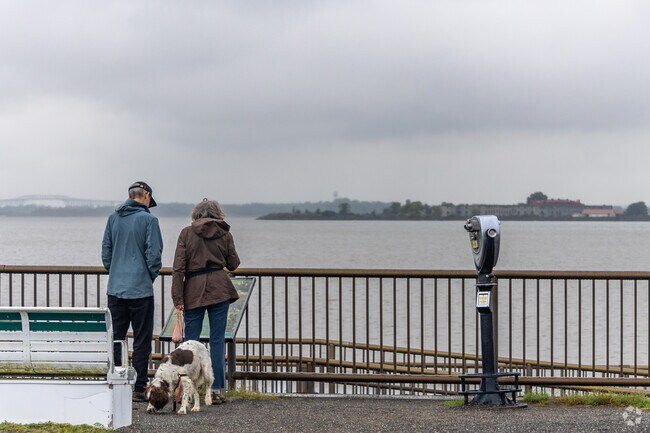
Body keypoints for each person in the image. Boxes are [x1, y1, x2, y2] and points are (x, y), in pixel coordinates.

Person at [171, 198, 240, 404]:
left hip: (193, 289)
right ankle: (217, 389)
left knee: (190, 343)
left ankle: (188, 390)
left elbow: (178, 268)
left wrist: (177, 298)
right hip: (219, 288)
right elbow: (233, 264)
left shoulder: (186, 233)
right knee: (217, 340)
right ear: (218, 214)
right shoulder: (224, 232)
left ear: (196, 214)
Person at [102, 181, 163, 402]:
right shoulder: (149, 220)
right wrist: (148, 276)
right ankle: (138, 387)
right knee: (142, 339)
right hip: (140, 291)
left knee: (116, 337)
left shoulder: (113, 218)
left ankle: (117, 381)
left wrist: (116, 271)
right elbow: (154, 255)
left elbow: (106, 253)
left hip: (115, 289)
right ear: (145, 195)